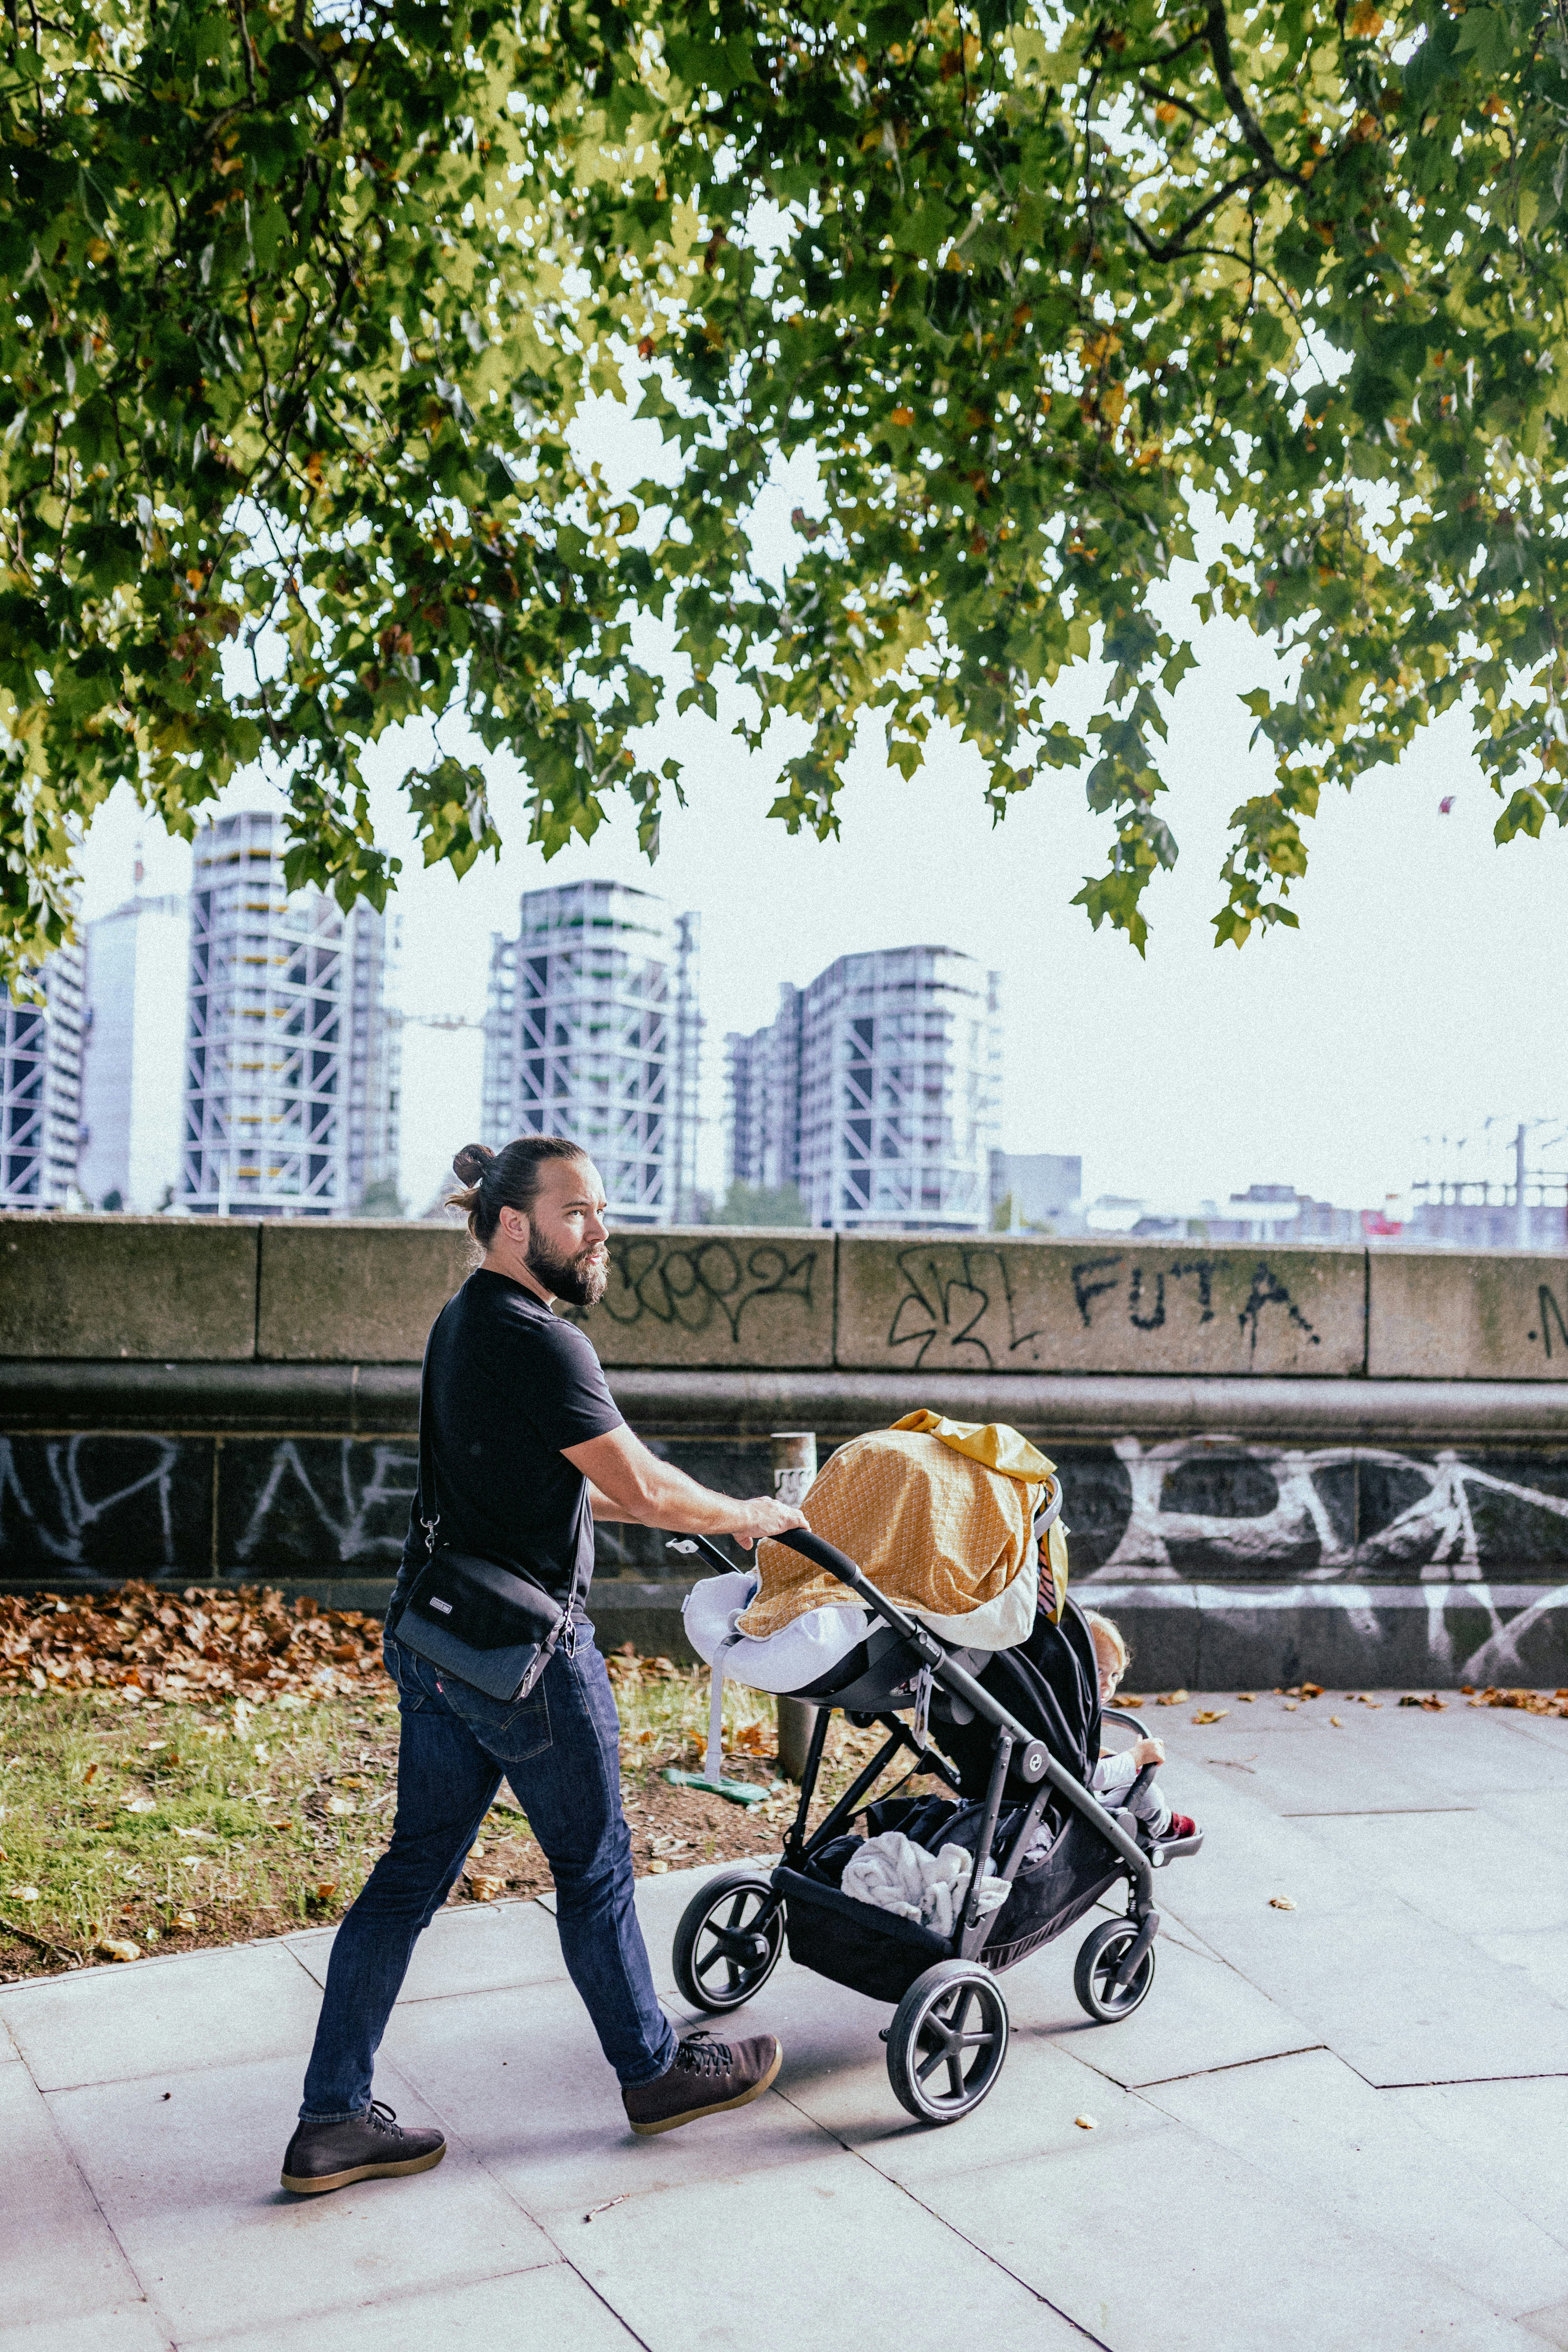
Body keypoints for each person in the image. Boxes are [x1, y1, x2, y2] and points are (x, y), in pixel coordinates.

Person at [280, 1135, 808, 2196]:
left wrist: (670, 1511)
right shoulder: (542, 1340)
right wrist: (747, 1514)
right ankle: (653, 2070)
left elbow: (574, 1480)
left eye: (600, 1211)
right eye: (578, 1211)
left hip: (441, 1639)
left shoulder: (464, 1320)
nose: (599, 1229)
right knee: (596, 1860)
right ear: (514, 1224)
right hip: (527, 1659)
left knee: (409, 1873)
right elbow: (646, 1486)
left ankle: (330, 2118)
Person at [1082, 1609, 1197, 1843]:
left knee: (1125, 1777)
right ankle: (1165, 1826)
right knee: (1148, 1796)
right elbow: (1092, 1776)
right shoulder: (1069, 1711)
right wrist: (1135, 1757)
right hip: (1074, 1808)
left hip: (1067, 1794)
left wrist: (1106, 1756)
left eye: (1115, 1675)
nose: (1108, 1685)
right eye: (1099, 1671)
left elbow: (1075, 1753)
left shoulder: (1055, 1708)